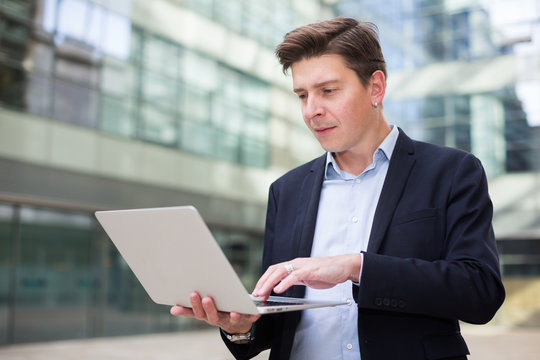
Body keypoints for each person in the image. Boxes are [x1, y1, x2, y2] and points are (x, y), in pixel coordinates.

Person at [170, 17, 505, 359]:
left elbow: (480, 292)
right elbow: (275, 321)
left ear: (376, 87)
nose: (311, 110)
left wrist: (357, 267)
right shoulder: (285, 191)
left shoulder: (451, 172)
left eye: (328, 91)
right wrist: (240, 327)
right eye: (302, 95)